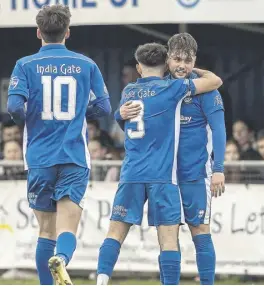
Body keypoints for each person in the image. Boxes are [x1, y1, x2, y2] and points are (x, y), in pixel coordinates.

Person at [96, 42, 222, 285]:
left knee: (115, 233)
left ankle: (101, 280)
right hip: (162, 176)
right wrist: (196, 70)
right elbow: (215, 82)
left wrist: (118, 114)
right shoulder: (173, 88)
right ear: (166, 65)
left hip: (131, 173)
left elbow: (121, 119)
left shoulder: (128, 92)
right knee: (167, 239)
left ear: (138, 68)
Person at [6, 4, 111, 285]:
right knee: (68, 227)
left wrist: (30, 119)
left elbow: (14, 105)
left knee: (46, 232)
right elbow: (103, 106)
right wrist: (79, 114)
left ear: (38, 32)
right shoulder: (86, 64)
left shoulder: (24, 65)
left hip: (39, 157)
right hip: (74, 155)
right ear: (68, 32)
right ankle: (62, 260)